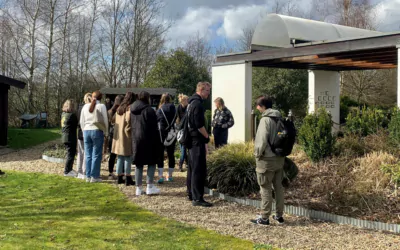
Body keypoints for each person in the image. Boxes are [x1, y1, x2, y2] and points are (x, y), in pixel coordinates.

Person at [251, 95, 285, 225]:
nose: (257, 108)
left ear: (262, 106)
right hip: (279, 158)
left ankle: (264, 218)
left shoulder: (265, 120)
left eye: (258, 106)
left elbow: (261, 140)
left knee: (265, 188)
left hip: (267, 159)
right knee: (278, 187)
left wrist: (257, 154)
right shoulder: (279, 118)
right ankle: (279, 216)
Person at [187, 82, 212, 207]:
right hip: (197, 140)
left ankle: (191, 193)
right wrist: (207, 136)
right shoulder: (198, 104)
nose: (208, 93)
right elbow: (199, 125)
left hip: (191, 140)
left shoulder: (191, 103)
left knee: (192, 168)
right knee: (198, 169)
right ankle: (197, 198)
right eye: (207, 90)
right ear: (201, 90)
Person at [131, 91, 161, 196]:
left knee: (139, 164)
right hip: (148, 138)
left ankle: (138, 188)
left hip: (136, 138)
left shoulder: (132, 109)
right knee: (152, 162)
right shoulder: (149, 110)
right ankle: (149, 186)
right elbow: (154, 127)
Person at [80, 90, 109, 183]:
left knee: (88, 155)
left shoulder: (85, 106)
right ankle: (94, 176)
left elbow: (81, 121)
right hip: (97, 131)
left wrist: (84, 130)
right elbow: (105, 121)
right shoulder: (101, 106)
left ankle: (87, 176)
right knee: (96, 155)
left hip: (86, 131)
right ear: (101, 98)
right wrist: (106, 132)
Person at [112, 92, 135, 186]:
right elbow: (129, 120)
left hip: (118, 136)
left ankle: (119, 177)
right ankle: (128, 177)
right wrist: (130, 130)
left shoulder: (119, 108)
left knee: (120, 157)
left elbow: (113, 120)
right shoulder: (129, 108)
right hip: (126, 136)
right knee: (128, 157)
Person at [156, 93, 177, 183]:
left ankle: (160, 176)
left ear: (162, 99)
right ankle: (170, 175)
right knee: (171, 154)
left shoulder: (160, 109)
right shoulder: (174, 108)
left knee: (160, 154)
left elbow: (157, 119)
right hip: (171, 133)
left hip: (161, 133)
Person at [107, 95, 124, 179]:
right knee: (122, 154)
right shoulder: (121, 111)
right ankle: (121, 172)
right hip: (119, 134)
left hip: (111, 134)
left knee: (112, 155)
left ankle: (110, 172)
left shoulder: (110, 111)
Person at [76, 93, 92, 179]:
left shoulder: (79, 108)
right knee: (86, 153)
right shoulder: (89, 107)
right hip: (86, 131)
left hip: (80, 132)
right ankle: (85, 171)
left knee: (80, 153)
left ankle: (79, 171)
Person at [61, 99, 78, 177]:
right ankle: (67, 171)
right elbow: (77, 124)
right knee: (71, 154)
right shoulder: (72, 115)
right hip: (70, 137)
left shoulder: (63, 114)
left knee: (70, 153)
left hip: (64, 136)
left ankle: (69, 169)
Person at [177, 94, 189, 172]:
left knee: (184, 149)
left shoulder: (180, 107)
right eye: (187, 100)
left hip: (183, 129)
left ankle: (187, 162)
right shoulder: (186, 108)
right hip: (183, 130)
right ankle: (180, 164)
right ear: (184, 101)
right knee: (183, 149)